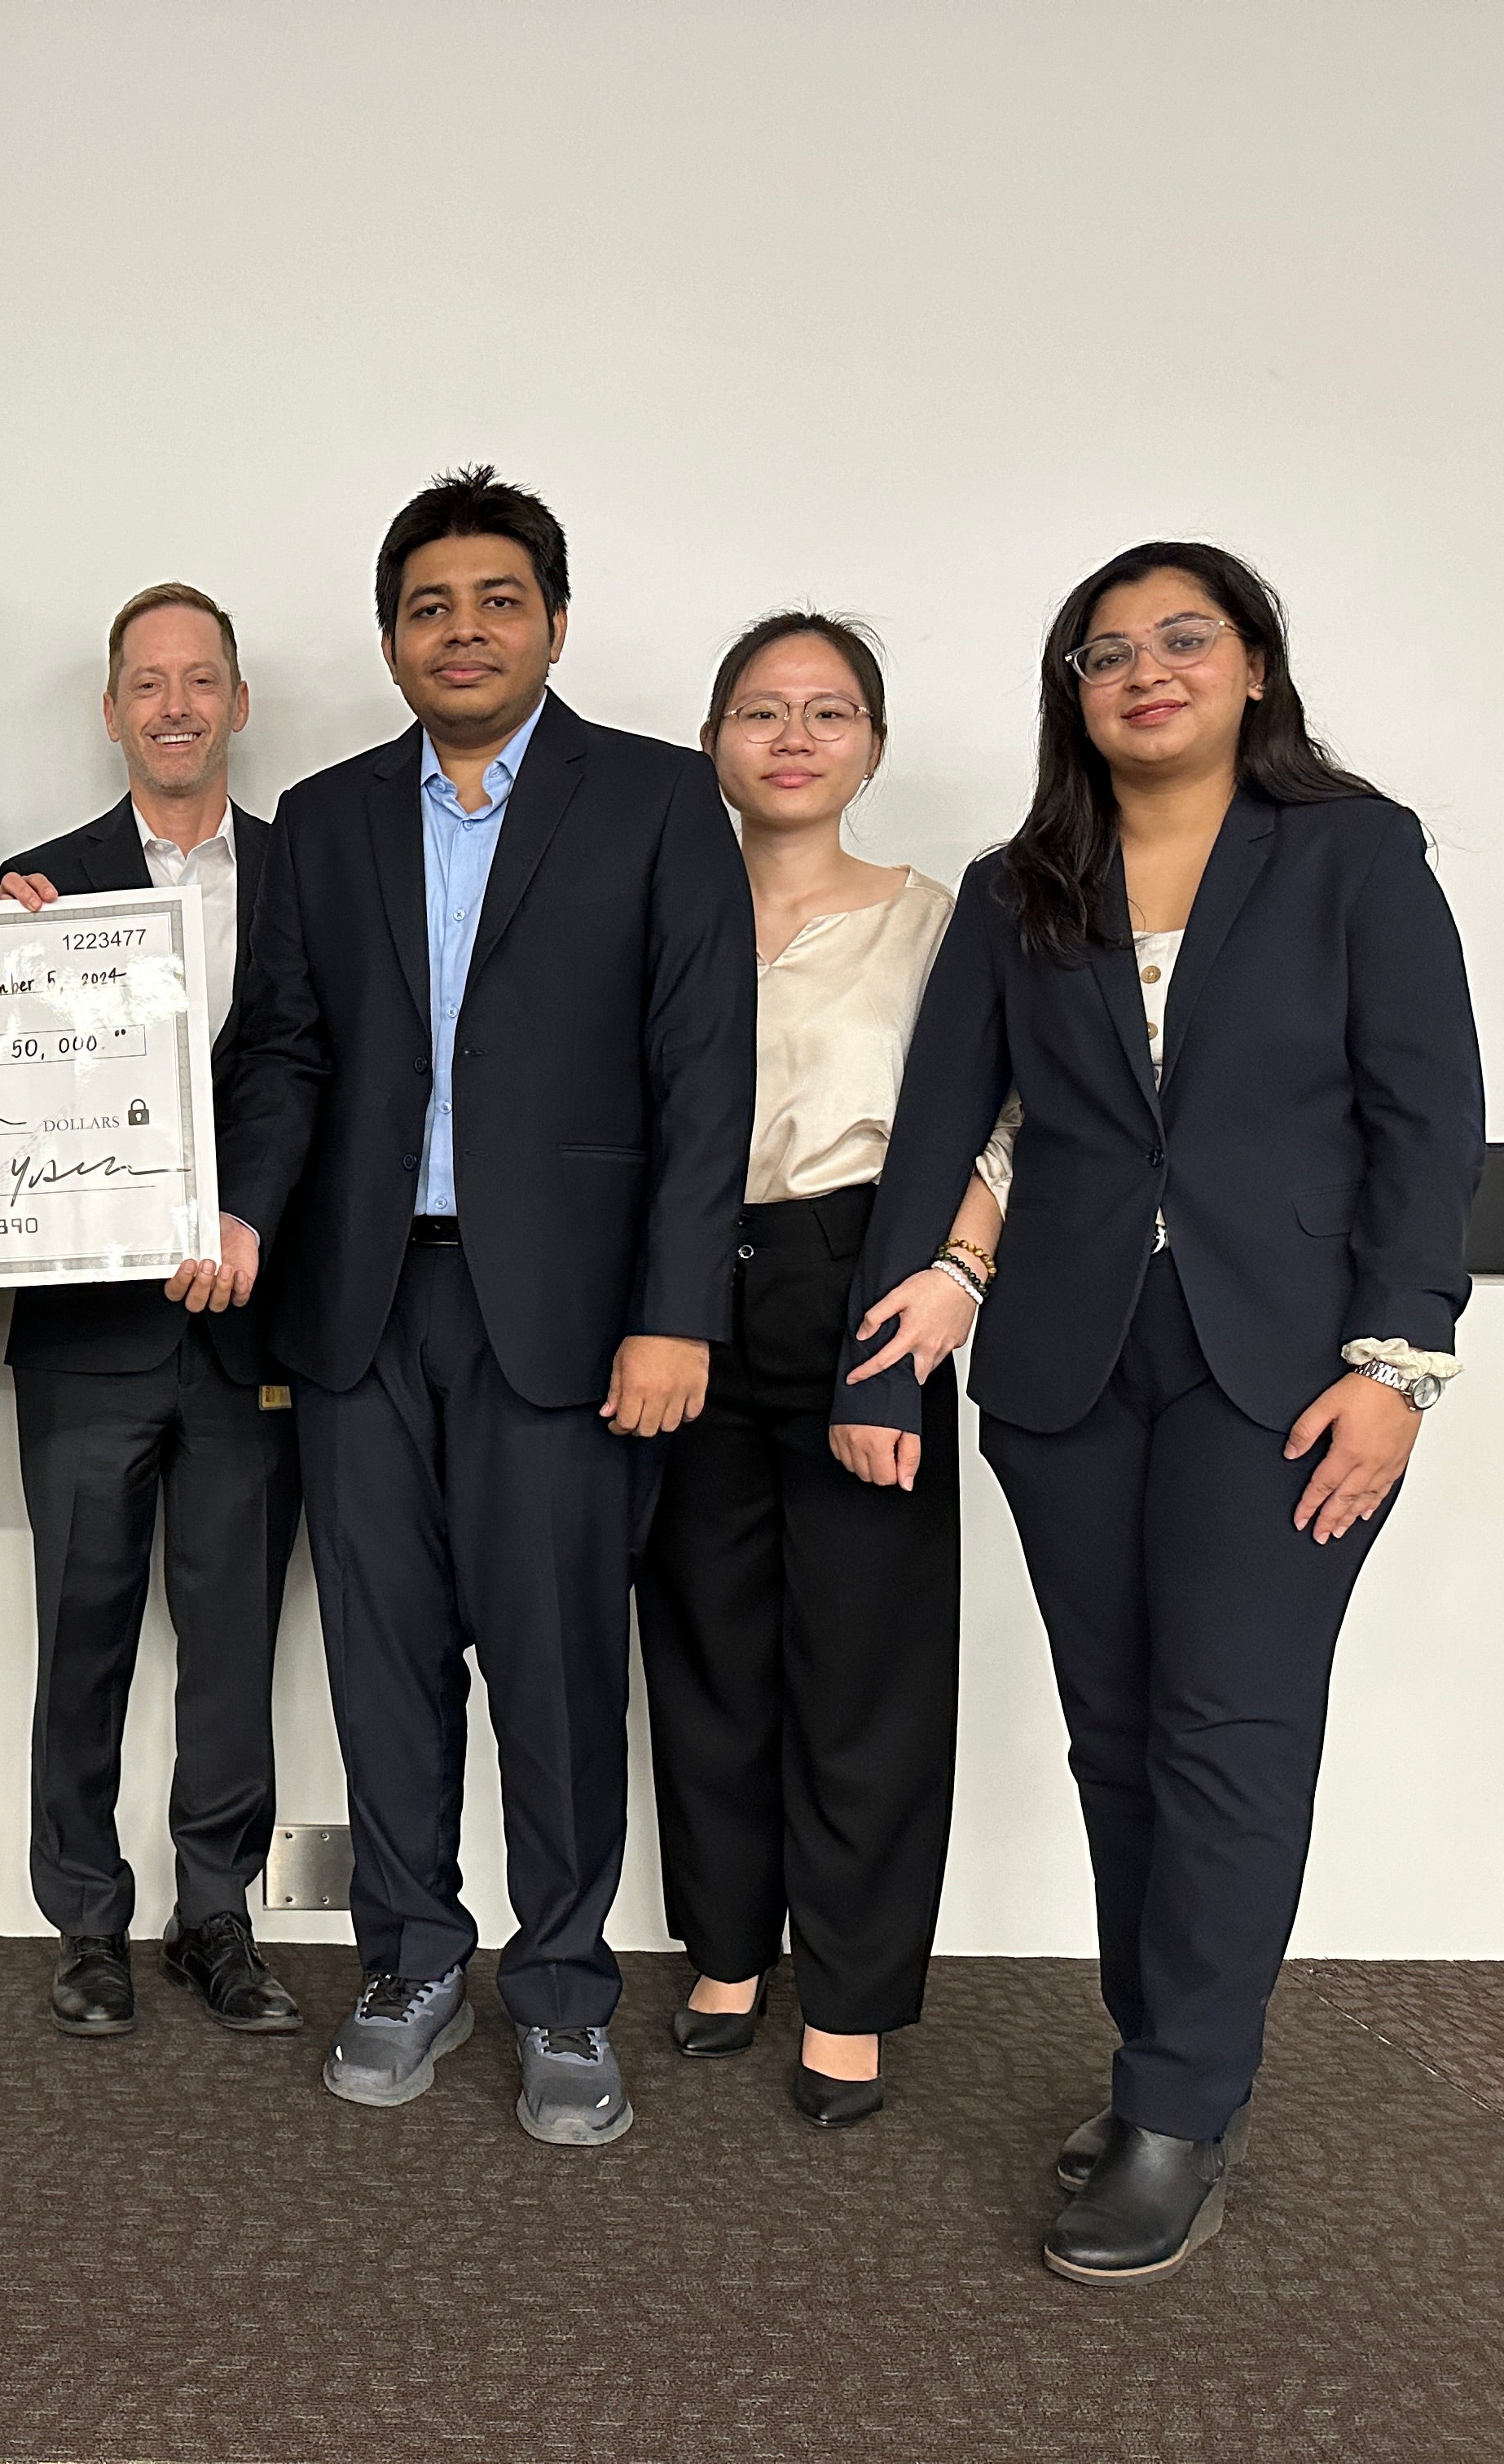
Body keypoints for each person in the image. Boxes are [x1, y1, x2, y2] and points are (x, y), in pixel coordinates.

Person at [837, 542, 1482, 2281]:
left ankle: (1184, 2102)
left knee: (1230, 1732)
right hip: (1065, 1370)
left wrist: (1399, 1366)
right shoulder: (1019, 883)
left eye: (1183, 640)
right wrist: (885, 1363)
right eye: (1105, 651)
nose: (1145, 671)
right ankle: (1165, 2065)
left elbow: (1429, 1125)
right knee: (1117, 1738)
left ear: (1256, 667)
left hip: (1289, 1377)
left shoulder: (1353, 853)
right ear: (1074, 693)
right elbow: (943, 1119)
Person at [185, 468, 756, 2144]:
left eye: (497, 601)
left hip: (575, 1327)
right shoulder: (335, 817)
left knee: (561, 1667)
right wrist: (240, 1204)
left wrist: (677, 1315)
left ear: (555, 625)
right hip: (367, 1310)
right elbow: (286, 1050)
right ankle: (413, 1958)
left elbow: (700, 1073)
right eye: (429, 606)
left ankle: (568, 1990)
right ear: (388, 638)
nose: (463, 629)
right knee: (381, 1661)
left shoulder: (656, 804)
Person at [633, 613, 1011, 2130]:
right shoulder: (661, 904)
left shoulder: (937, 920)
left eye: (830, 711)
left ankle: (849, 1993)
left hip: (867, 1285)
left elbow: (1010, 1119)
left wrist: (952, 1282)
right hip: (677, 1291)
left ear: (871, 743)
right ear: (714, 739)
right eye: (760, 711)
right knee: (705, 1641)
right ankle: (727, 1953)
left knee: (865, 1659)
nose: (793, 737)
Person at [0, 584, 304, 2039]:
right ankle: (86, 1919)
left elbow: (312, 1066)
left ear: (238, 704)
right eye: (147, 684)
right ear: (112, 711)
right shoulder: (35, 886)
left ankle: (218, 1916)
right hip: (87, 1336)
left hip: (252, 1326)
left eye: (203, 681)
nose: (176, 707)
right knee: (83, 1631)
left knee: (234, 1636)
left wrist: (253, 1219)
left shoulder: (312, 872)